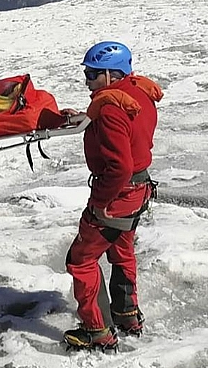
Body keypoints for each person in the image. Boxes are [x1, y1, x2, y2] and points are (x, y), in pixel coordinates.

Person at [61, 41, 163, 350]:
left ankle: (96, 331)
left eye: (92, 75)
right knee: (121, 251)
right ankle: (126, 313)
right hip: (139, 190)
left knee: (81, 259)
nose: (88, 81)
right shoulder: (138, 93)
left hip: (118, 194)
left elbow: (119, 166)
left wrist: (101, 205)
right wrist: (86, 117)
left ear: (110, 74)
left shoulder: (109, 109)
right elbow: (127, 128)